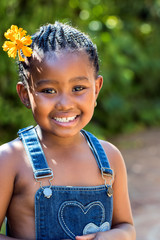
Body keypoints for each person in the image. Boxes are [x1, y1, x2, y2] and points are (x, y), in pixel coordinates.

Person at [0, 22, 136, 240]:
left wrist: (107, 237)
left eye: (78, 88)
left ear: (96, 89)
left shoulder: (110, 158)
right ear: (25, 94)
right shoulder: (10, 160)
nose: (65, 103)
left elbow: (126, 227)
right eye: (49, 90)